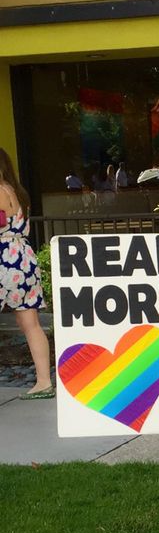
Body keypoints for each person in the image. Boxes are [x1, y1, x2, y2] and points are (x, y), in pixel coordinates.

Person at [0, 149, 54, 400]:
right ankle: (44, 381)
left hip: (3, 259)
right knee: (31, 324)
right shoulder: (18, 192)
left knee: (29, 324)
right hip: (23, 258)